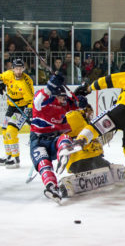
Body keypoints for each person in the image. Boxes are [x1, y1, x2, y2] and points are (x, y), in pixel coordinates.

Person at [62, 71, 125, 196]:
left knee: (95, 126)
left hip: (123, 110)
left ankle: (81, 140)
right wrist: (122, 97)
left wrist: (90, 88)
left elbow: (108, 80)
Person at [29, 74, 86, 203]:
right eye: (61, 97)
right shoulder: (42, 101)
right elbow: (38, 99)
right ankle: (51, 187)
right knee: (44, 164)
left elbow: (77, 104)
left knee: (65, 138)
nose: (63, 100)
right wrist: (50, 86)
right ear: (53, 96)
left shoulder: (64, 104)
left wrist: (81, 101)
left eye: (64, 97)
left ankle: (63, 153)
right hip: (38, 141)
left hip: (54, 141)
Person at [0, 58, 34, 168]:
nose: (18, 71)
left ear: (23, 68)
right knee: (4, 130)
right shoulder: (8, 74)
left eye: (20, 68)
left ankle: (16, 158)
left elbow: (31, 100)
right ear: (12, 68)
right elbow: (0, 77)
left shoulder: (26, 82)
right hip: (11, 106)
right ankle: (9, 155)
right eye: (16, 68)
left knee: (11, 130)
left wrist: (30, 111)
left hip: (23, 107)